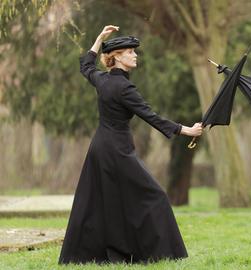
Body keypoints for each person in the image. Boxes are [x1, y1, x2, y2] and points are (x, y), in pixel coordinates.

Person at [59, 25, 203, 264]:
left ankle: (113, 254)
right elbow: (151, 116)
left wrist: (98, 39)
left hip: (100, 148)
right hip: (117, 150)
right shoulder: (124, 88)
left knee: (104, 201)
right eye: (129, 52)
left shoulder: (103, 80)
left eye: (134, 52)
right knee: (155, 195)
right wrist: (186, 130)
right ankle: (161, 254)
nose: (135, 55)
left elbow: (86, 66)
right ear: (116, 57)